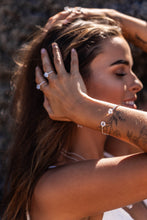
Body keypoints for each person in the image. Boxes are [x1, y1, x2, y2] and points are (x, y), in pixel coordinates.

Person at [2, 7, 147, 220]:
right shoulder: (55, 189)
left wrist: (115, 19)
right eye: (120, 73)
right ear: (72, 82)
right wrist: (81, 106)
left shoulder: (118, 150)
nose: (137, 83)